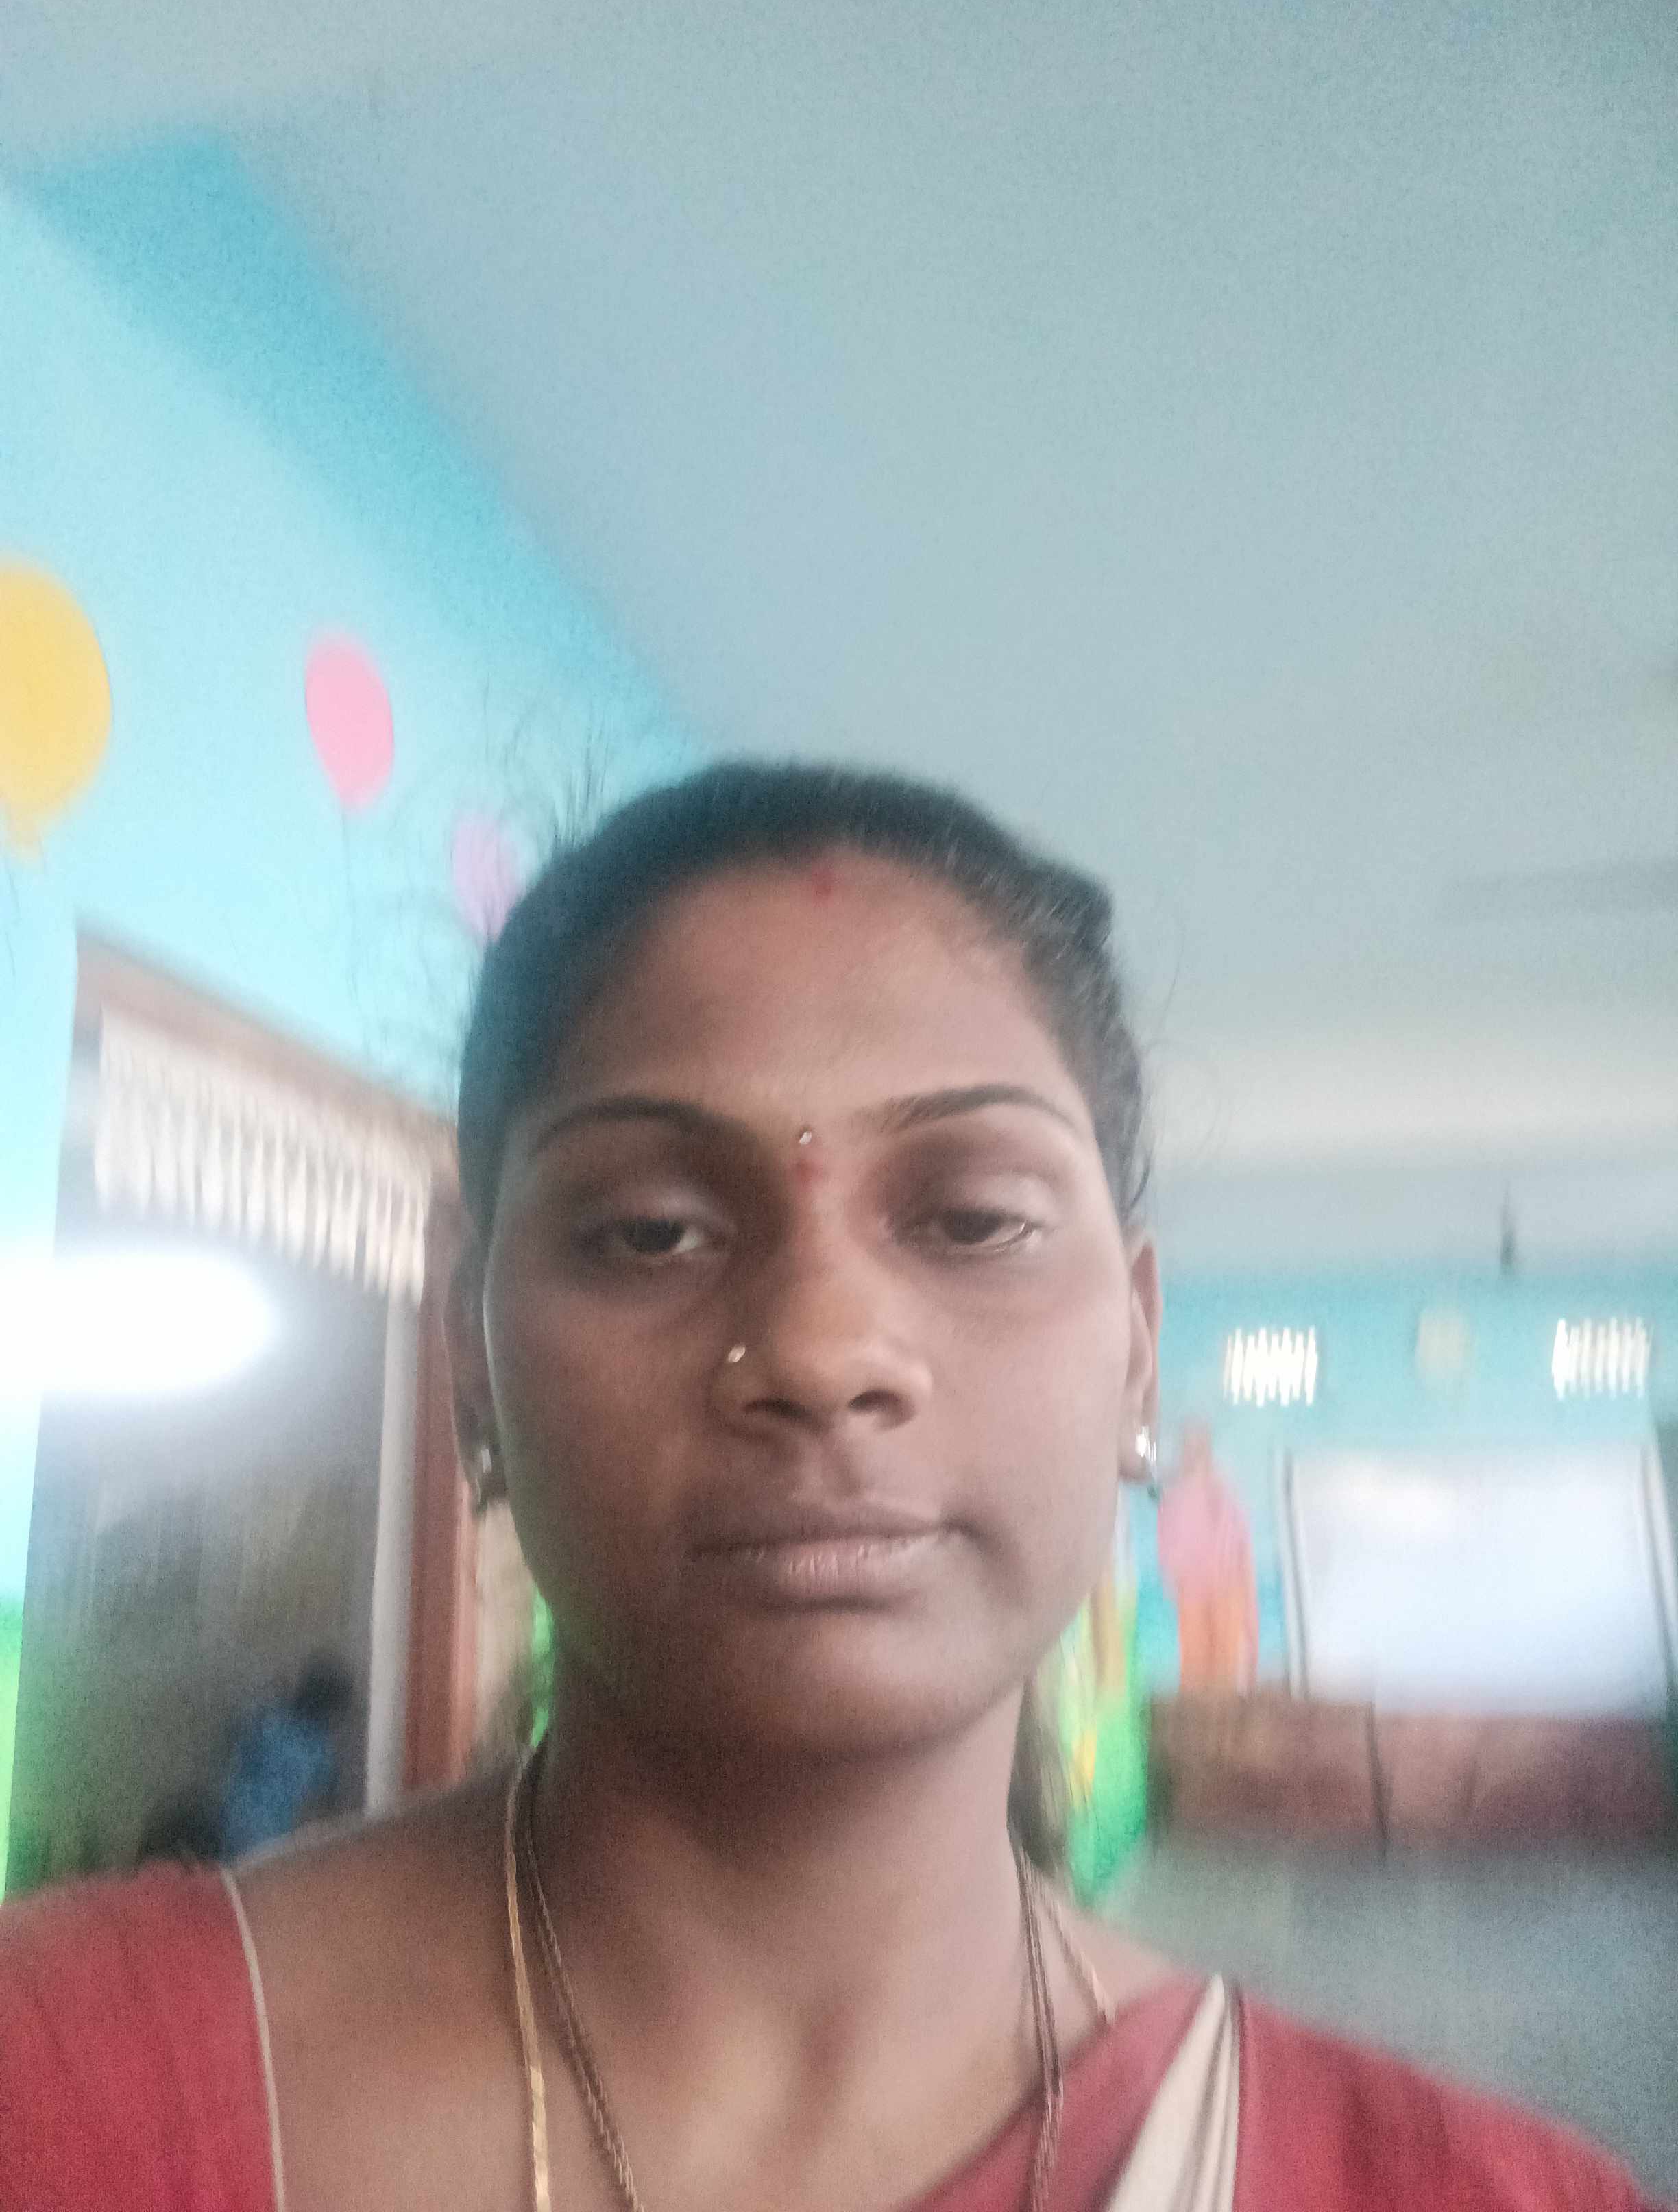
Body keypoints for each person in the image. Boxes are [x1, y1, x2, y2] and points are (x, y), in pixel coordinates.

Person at [0, 763, 1662, 2210]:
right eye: (649, 1229)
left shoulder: (1472, 2192)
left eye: (972, 1218)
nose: (817, 1350)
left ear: (1139, 1354)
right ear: (468, 1353)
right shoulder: (58, 2094)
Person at [1155, 1421, 1260, 1695]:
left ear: (1207, 1451)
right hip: (1193, 1594)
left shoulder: (1224, 1496)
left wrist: (1250, 1617)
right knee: (1195, 1673)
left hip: (1225, 1591)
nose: (1193, 1455)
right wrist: (1176, 1581)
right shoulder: (1174, 1499)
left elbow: (1242, 1552)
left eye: (1198, 1448)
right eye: (1189, 1448)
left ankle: (1222, 1712)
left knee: (1224, 1673)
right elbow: (1168, 1555)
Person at [219, 1655, 355, 1860]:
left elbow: (236, 1745)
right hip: (265, 1836)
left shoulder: (269, 1719)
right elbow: (329, 1803)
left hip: (238, 1825)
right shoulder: (318, 1748)